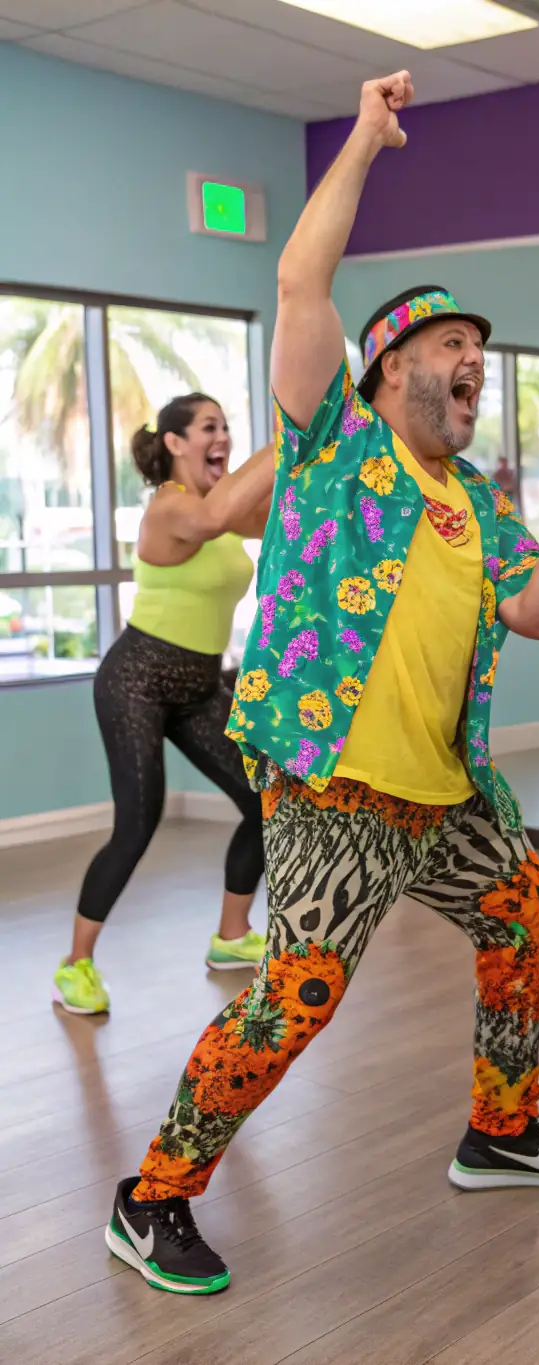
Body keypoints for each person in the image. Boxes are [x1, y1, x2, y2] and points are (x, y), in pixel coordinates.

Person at [106, 70, 539, 1295]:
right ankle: (152, 1197)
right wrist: (364, 142)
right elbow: (300, 281)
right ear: (391, 365)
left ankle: (500, 1128)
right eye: (457, 348)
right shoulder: (334, 444)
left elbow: (537, 614)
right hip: (335, 786)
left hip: (439, 794)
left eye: (481, 358)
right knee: (295, 1000)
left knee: (527, 916)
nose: (475, 369)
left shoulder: (473, 502)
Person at [53, 396, 274, 1016]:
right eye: (210, 428)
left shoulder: (222, 508)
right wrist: (288, 436)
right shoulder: (174, 507)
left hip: (199, 687)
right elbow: (214, 519)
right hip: (137, 681)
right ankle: (76, 966)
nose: (222, 437)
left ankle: (232, 937)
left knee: (263, 800)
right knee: (137, 824)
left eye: (228, 428)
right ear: (176, 443)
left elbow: (281, 513)